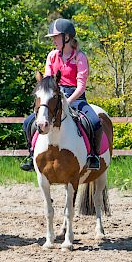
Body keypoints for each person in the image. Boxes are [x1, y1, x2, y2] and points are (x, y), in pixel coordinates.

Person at [20, 18, 102, 172]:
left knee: (95, 122)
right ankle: (31, 155)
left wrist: (67, 102)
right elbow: (47, 81)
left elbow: (81, 87)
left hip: (75, 98)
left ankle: (93, 156)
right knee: (28, 123)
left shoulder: (80, 57)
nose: (53, 40)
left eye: (55, 37)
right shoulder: (52, 56)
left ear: (66, 37)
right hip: (53, 97)